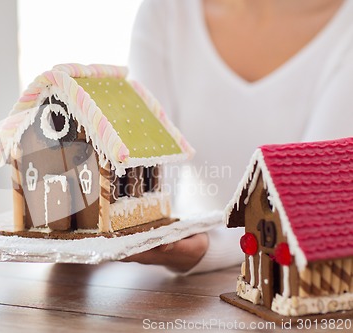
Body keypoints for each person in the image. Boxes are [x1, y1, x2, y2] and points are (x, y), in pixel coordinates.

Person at [124, 0, 353, 274]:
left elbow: (313, 206)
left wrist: (211, 246)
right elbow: (150, 182)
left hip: (293, 279)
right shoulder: (166, 11)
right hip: (176, 283)